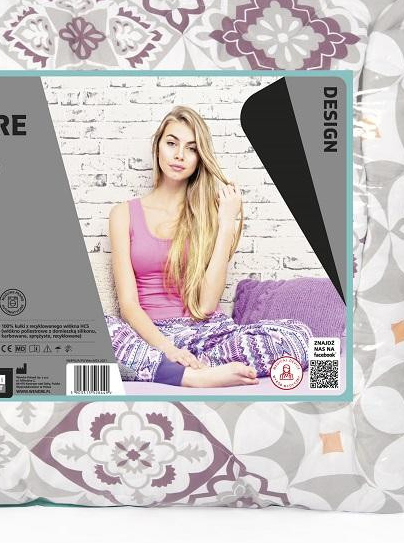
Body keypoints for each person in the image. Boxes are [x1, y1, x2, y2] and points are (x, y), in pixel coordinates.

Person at [106, 106, 312, 387]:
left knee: (299, 336)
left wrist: (226, 222)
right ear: (158, 147)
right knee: (91, 330)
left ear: (199, 158)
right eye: (171, 143)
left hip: (208, 336)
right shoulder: (123, 214)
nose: (179, 155)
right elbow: (128, 305)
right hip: (152, 337)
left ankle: (185, 368)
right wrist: (168, 349)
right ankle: (193, 376)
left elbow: (205, 306)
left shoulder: (209, 216)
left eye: (191, 148)